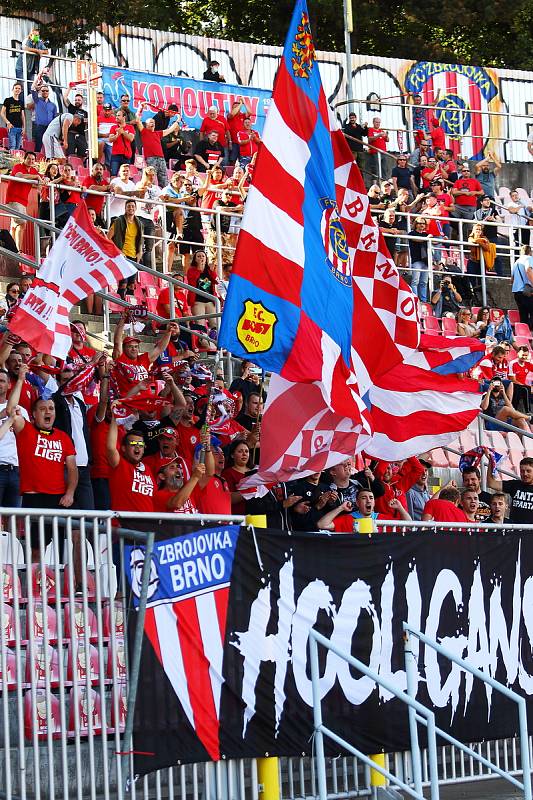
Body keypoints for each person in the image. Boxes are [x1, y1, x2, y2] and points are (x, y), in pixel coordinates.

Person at [11, 393, 77, 557]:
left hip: (59, 499)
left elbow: (73, 469)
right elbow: (11, 410)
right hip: (35, 498)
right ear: (33, 414)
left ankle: (77, 582)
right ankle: (36, 581)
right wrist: (20, 379)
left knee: (77, 536)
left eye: (51, 408)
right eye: (42, 409)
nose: (48, 412)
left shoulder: (63, 437)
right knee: (37, 547)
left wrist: (70, 493)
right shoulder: (26, 429)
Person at [52, 364, 95, 510]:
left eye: (72, 380)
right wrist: (91, 365)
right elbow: (58, 395)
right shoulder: (56, 402)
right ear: (58, 383)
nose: (69, 384)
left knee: (88, 518)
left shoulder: (81, 404)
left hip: (84, 467)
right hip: (64, 468)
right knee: (64, 515)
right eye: (65, 380)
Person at [112, 314, 179, 396]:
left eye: (136, 347)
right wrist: (123, 320)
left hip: (146, 401)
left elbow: (159, 349)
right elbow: (117, 342)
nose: (134, 349)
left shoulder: (143, 359)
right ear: (124, 349)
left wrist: (168, 332)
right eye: (130, 346)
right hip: (129, 401)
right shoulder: (120, 360)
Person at [106, 418, 155, 513]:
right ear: (123, 448)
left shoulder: (148, 469)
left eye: (140, 444)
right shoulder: (119, 464)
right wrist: (114, 419)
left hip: (147, 524)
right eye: (133, 444)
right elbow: (111, 448)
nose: (137, 447)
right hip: (124, 524)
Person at [0, 367, 29, 506]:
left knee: (14, 519)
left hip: (16, 470)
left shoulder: (21, 410)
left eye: (2, 381)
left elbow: (28, 438)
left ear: (9, 385)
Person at [317, 488, 410, 532]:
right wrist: (340, 508)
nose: (368, 500)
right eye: (364, 498)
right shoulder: (348, 518)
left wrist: (400, 507)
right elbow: (321, 524)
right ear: (357, 503)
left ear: (374, 502)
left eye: (371, 498)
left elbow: (409, 526)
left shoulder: (382, 519)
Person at [135, 102, 181, 187]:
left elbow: (170, 129)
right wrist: (140, 108)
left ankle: (165, 195)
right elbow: (138, 120)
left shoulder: (158, 133)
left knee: (164, 179)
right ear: (146, 124)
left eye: (153, 122)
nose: (153, 123)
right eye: (150, 122)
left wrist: (178, 120)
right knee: (150, 179)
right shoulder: (144, 132)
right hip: (151, 158)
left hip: (161, 158)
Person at [4, 151, 40, 251]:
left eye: (33, 159)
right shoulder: (18, 166)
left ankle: (11, 249)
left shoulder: (33, 170)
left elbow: (40, 181)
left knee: (15, 225)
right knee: (22, 223)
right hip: (13, 199)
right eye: (28, 158)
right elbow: (19, 176)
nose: (30, 161)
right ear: (24, 159)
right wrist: (36, 177)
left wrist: (43, 179)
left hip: (23, 202)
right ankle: (18, 250)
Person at [107, 199, 142, 297]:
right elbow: (108, 238)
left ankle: (129, 309)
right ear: (125, 208)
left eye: (132, 206)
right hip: (122, 256)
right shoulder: (118, 221)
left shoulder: (138, 222)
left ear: (136, 208)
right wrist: (118, 251)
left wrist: (140, 252)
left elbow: (139, 239)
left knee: (131, 285)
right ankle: (121, 306)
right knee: (123, 283)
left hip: (134, 256)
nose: (131, 208)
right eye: (129, 206)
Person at [486, 455, 533, 523]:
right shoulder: (515, 484)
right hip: (514, 530)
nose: (525, 474)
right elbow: (491, 483)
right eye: (522, 471)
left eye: (528, 471)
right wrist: (491, 462)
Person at [135, 166, 162, 268]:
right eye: (148, 175)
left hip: (150, 219)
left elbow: (162, 199)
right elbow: (139, 196)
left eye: (153, 175)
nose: (151, 177)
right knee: (139, 244)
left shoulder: (156, 189)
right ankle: (139, 268)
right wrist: (144, 185)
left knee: (149, 247)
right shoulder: (139, 184)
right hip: (139, 216)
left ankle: (148, 270)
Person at [26, 78, 57, 153]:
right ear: (40, 91)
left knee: (49, 145)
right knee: (38, 144)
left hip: (49, 127)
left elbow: (54, 118)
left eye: (47, 90)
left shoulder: (53, 105)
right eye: (43, 90)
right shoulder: (37, 101)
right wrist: (39, 76)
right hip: (39, 126)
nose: (45, 92)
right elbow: (33, 89)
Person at [222, 439, 251, 515]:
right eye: (240, 451)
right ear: (232, 455)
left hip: (256, 516)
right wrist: (250, 491)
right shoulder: (227, 473)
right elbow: (229, 498)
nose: (244, 454)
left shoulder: (255, 471)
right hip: (238, 517)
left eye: (246, 451)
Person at [109, 109, 136, 177]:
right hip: (116, 155)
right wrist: (118, 134)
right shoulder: (113, 127)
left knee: (125, 175)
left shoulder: (130, 127)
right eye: (116, 115)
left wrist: (123, 132)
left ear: (124, 117)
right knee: (113, 175)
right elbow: (110, 139)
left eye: (118, 115)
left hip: (126, 155)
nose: (116, 117)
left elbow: (131, 138)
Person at [408, 217, 430, 301]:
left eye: (423, 223)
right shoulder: (411, 233)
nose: (422, 225)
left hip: (425, 261)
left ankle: (423, 300)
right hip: (416, 260)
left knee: (424, 282)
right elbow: (417, 239)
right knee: (415, 281)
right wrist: (428, 238)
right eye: (420, 223)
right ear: (416, 224)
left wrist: (441, 239)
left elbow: (435, 242)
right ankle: (415, 299)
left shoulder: (425, 235)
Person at [512, 245, 533, 329]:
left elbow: (512, 279)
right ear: (530, 252)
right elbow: (528, 270)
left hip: (517, 292)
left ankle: (525, 335)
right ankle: (530, 334)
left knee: (523, 316)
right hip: (527, 292)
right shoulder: (529, 259)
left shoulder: (516, 262)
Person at [1, 83, 25, 150]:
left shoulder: (21, 102)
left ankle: (16, 160)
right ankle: (12, 160)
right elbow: (2, 113)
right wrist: (8, 122)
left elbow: (22, 116)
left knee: (18, 147)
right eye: (16, 88)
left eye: (19, 88)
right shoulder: (8, 100)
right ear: (13, 89)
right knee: (12, 146)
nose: (17, 90)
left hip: (19, 127)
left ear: (21, 91)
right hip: (12, 127)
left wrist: (24, 127)